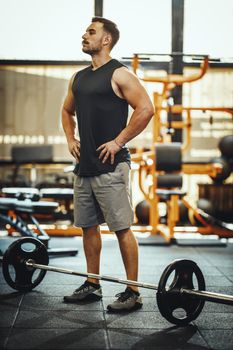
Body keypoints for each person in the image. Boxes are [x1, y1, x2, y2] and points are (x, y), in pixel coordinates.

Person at [62, 17, 154, 312]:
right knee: (88, 226)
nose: (84, 35)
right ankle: (92, 283)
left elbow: (146, 109)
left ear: (106, 40)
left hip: (112, 166)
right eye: (85, 31)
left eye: (91, 32)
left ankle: (133, 291)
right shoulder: (78, 77)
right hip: (84, 166)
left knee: (121, 228)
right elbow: (66, 111)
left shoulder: (120, 74)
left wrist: (119, 141)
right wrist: (69, 138)